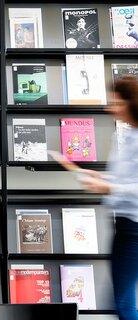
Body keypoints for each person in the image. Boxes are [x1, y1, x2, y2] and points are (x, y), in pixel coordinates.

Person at [58, 75, 138, 320]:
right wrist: (97, 178)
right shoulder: (125, 136)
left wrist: (109, 188)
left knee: (122, 303)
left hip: (134, 228)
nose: (109, 108)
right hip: (124, 226)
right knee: (121, 300)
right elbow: (124, 179)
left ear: (132, 104)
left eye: (116, 103)